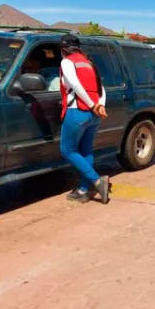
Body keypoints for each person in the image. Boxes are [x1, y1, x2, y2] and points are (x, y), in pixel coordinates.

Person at [58, 34, 110, 203]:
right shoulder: (88, 62)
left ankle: (97, 181)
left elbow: (74, 84)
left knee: (67, 151)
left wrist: (91, 104)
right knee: (86, 151)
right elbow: (101, 88)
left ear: (63, 49)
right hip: (94, 115)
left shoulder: (67, 61)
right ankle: (83, 191)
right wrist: (99, 105)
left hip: (77, 112)